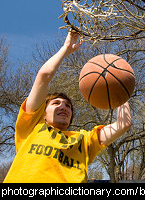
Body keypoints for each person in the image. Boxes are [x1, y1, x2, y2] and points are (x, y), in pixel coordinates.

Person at [4, 30, 132, 183]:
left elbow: (123, 124)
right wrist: (66, 49)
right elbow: (43, 76)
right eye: (56, 103)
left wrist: (120, 88)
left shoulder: (83, 140)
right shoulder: (32, 127)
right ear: (43, 113)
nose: (63, 107)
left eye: (68, 106)